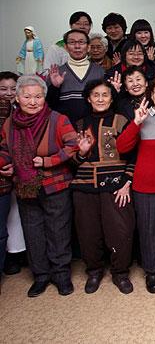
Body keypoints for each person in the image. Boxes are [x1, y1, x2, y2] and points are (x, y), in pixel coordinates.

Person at [0, 75, 78, 297]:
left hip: (56, 184)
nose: (32, 102)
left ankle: (61, 275)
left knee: (58, 231)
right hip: (25, 186)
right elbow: (5, 148)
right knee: (33, 232)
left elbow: (73, 146)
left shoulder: (58, 119)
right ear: (17, 98)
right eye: (27, 97)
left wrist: (49, 161)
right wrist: (5, 163)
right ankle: (41, 276)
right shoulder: (10, 123)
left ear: (45, 97)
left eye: (38, 96)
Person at [71, 80, 135, 294]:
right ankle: (94, 271)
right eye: (95, 95)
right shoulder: (79, 124)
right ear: (88, 98)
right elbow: (71, 162)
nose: (100, 99)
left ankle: (120, 273)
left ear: (111, 97)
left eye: (105, 95)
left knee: (120, 232)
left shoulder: (121, 120)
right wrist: (81, 153)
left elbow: (134, 155)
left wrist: (127, 181)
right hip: (85, 188)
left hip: (116, 187)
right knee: (89, 233)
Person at [116, 77, 155, 294]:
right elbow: (122, 147)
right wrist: (135, 123)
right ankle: (151, 270)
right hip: (145, 183)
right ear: (151, 94)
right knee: (148, 229)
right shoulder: (141, 115)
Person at [46, 29, 105, 125]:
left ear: (88, 47)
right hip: (65, 128)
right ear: (66, 47)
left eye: (81, 42)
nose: (77, 46)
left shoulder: (99, 71)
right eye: (72, 42)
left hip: (94, 127)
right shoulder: (57, 73)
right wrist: (55, 87)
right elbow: (49, 106)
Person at [0, 72, 25, 283]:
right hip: (4, 171)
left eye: (12, 88)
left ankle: (18, 254)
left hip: (21, 172)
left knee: (17, 218)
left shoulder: (24, 110)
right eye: (3, 89)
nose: (8, 93)